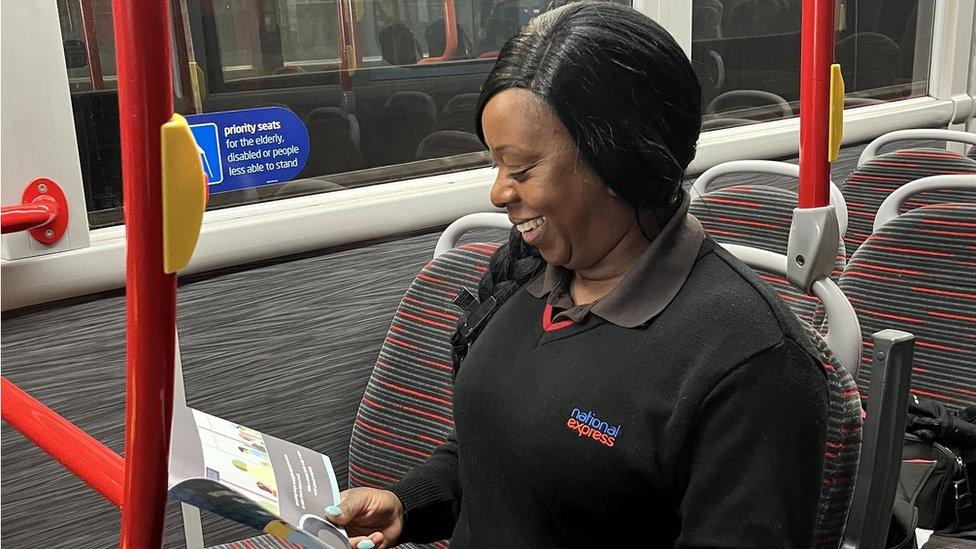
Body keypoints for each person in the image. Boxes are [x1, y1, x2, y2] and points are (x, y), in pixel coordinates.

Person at [326, 2, 829, 547]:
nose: (498, 193)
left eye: (520, 170)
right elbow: (505, 447)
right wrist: (410, 503)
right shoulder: (530, 275)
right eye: (494, 167)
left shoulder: (751, 361)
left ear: (617, 161)